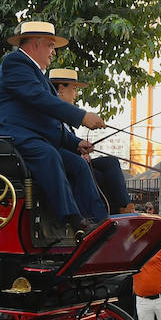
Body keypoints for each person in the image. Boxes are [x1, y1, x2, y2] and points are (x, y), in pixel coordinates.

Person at [0, 20, 108, 233]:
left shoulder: (35, 73)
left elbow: (48, 122)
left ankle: (99, 221)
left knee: (77, 164)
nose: (53, 53)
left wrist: (76, 144)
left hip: (28, 137)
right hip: (6, 133)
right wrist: (82, 116)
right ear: (36, 43)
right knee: (47, 154)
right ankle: (74, 221)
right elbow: (40, 100)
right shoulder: (15, 63)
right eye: (51, 45)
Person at [48, 68, 131, 214]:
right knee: (97, 175)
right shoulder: (51, 112)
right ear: (61, 89)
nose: (76, 94)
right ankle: (105, 214)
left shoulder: (66, 117)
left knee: (111, 163)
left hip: (75, 158)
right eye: (74, 89)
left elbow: (68, 138)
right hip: (62, 163)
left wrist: (80, 145)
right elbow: (56, 138)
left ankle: (124, 207)